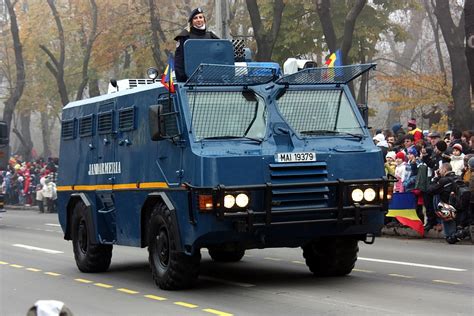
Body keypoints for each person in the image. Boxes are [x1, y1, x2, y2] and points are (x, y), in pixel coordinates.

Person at [174, 7, 219, 82]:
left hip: (210, 79)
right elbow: (179, 61)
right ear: (191, 21)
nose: (198, 20)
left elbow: (221, 58)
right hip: (190, 80)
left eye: (200, 17)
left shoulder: (212, 37)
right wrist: (182, 80)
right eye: (195, 18)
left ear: (204, 20)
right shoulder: (185, 37)